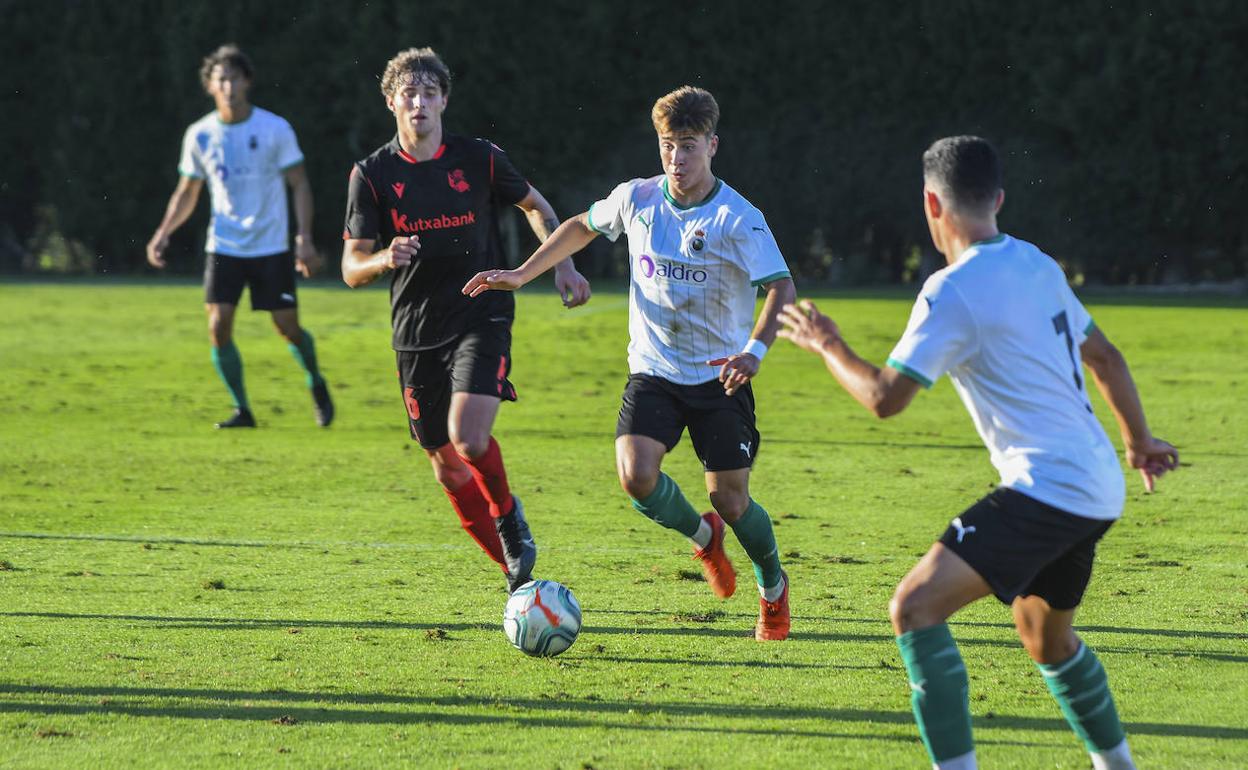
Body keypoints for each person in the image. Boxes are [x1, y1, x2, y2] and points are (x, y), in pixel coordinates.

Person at [777, 135, 1179, 768]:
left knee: (914, 608)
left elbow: (885, 398)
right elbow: (1106, 357)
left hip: (1049, 487)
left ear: (931, 205)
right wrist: (1139, 442)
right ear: (997, 198)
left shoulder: (950, 290)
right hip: (1099, 484)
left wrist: (828, 343)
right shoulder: (1039, 264)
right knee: (1045, 639)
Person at [464, 86, 798, 641]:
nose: (676, 158)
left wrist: (754, 352)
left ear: (712, 146)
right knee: (635, 475)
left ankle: (772, 585)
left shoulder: (738, 219)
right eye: (668, 145)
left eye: (688, 146)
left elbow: (781, 288)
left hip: (720, 377)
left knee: (731, 500)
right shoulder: (637, 197)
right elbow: (579, 225)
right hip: (654, 371)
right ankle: (702, 538)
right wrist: (523, 274)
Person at [341, 48, 590, 592]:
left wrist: (563, 265)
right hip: (415, 332)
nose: (419, 103)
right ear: (391, 103)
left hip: (483, 308)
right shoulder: (373, 174)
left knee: (469, 439)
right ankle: (516, 575)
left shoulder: (480, 158)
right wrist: (384, 257)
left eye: (430, 93)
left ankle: (507, 515)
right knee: (446, 465)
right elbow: (350, 267)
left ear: (444, 100)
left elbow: (535, 205)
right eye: (409, 94)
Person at [146, 44, 332, 430]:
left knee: (287, 328)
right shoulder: (199, 135)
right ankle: (242, 410)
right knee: (217, 327)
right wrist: (163, 233)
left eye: (234, 77)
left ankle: (316, 383)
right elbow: (188, 192)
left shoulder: (274, 128)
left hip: (271, 246)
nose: (228, 86)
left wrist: (304, 238)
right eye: (220, 79)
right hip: (225, 245)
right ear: (210, 86)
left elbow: (299, 184)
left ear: (247, 81)